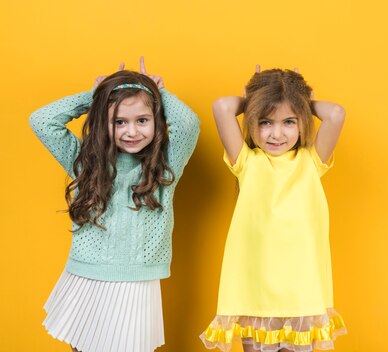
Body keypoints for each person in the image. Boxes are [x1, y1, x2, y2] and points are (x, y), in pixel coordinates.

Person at [30, 57, 200, 352]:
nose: (131, 131)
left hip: (137, 279)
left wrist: (159, 93)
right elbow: (41, 120)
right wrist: (94, 97)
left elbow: (188, 124)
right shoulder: (85, 163)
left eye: (142, 120)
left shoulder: (164, 167)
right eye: (119, 122)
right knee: (82, 347)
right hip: (86, 275)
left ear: (156, 120)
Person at [199, 66, 347, 352]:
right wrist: (255, 98)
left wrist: (299, 99)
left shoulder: (311, 161)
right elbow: (222, 106)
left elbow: (336, 114)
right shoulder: (246, 161)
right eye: (265, 122)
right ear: (252, 121)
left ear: (303, 122)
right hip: (255, 291)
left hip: (301, 292)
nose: (276, 134)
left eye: (289, 121)